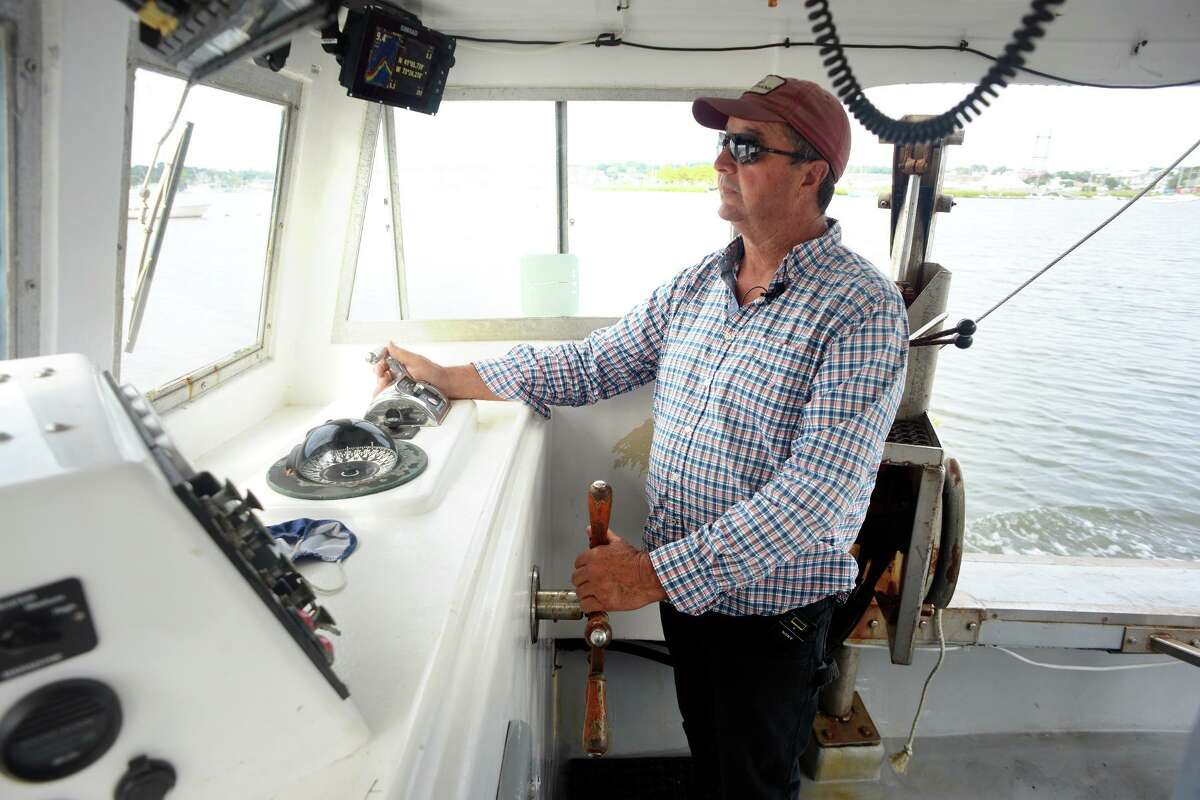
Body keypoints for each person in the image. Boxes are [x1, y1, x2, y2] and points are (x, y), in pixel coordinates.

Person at [371, 75, 909, 799]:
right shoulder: (698, 286)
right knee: (710, 758)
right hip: (690, 598)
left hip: (768, 616)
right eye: (724, 143)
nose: (722, 161)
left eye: (745, 147)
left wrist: (652, 575)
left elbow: (820, 496)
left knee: (750, 782)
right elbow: (592, 362)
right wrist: (450, 375)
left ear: (812, 173)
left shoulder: (860, 308)